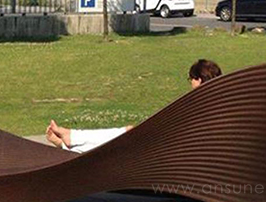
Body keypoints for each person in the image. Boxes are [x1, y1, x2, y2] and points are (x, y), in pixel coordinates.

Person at [46, 59, 222, 153]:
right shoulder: (219, 103)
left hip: (172, 150)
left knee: (128, 135)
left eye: (191, 79)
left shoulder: (200, 104)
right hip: (178, 146)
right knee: (128, 134)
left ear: (199, 79)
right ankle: (70, 142)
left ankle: (70, 140)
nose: (190, 83)